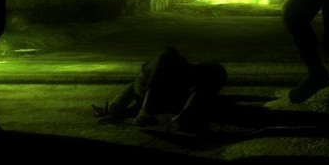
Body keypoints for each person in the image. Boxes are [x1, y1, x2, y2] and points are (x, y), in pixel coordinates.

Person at [91, 45, 227, 132]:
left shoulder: (150, 75)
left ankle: (181, 115)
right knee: (214, 72)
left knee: (213, 71)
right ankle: (184, 116)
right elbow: (134, 88)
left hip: (166, 95)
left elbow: (132, 88)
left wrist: (115, 106)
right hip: (170, 96)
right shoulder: (159, 74)